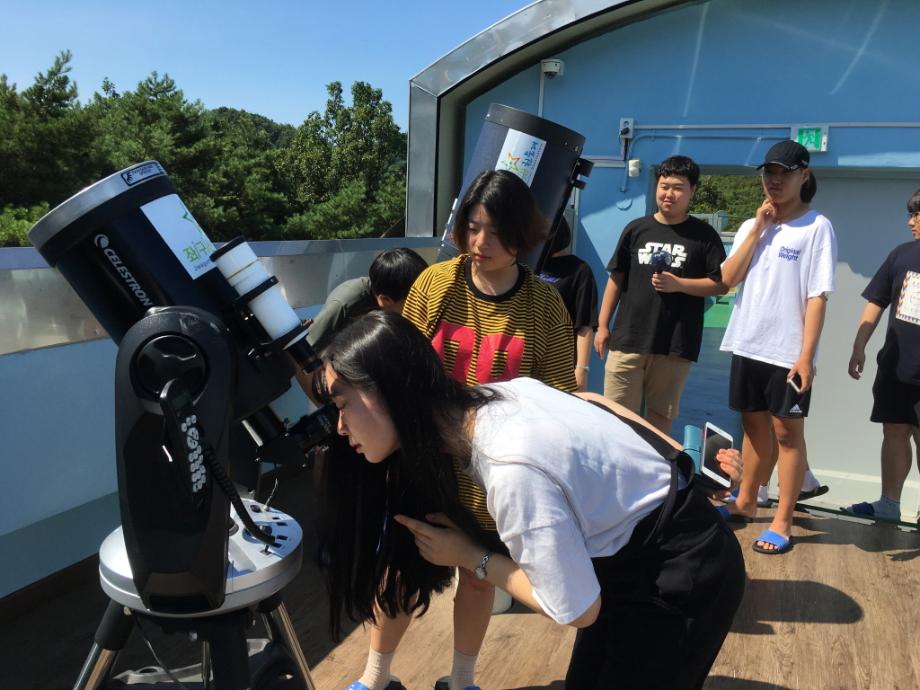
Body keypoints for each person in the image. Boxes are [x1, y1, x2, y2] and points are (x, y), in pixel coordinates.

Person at [319, 311, 746, 690]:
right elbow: (590, 400)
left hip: (684, 574)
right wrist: (680, 460)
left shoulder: (510, 468)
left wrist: (470, 556)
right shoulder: (505, 393)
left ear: (389, 393)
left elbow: (578, 610)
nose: (340, 427)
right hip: (636, 555)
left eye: (344, 406)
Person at [351, 169, 577, 690]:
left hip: (499, 474)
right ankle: (375, 676)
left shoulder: (544, 305)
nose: (481, 243)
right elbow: (399, 363)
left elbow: (558, 396)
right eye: (473, 227)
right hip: (428, 461)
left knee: (478, 579)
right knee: (401, 571)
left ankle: (462, 679)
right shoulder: (436, 283)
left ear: (523, 234)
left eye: (496, 232)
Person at [718, 140, 837, 555]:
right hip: (748, 342)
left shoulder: (817, 226)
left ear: (804, 176)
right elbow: (728, 278)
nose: (774, 180)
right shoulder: (757, 226)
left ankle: (783, 520)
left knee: (788, 434)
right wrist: (757, 229)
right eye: (769, 172)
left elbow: (817, 296)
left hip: (788, 352)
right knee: (753, 427)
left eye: (784, 173)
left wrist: (805, 355)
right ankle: (747, 500)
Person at [594, 155, 727, 434]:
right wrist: (603, 325)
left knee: (659, 422)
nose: (669, 194)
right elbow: (617, 278)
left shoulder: (704, 236)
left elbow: (720, 284)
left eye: (678, 187)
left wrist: (680, 285)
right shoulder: (636, 229)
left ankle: (654, 475)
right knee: (616, 420)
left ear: (693, 191)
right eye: (664, 185)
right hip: (628, 339)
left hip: (674, 345)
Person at [843, 189, 920, 522]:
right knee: (894, 431)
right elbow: (876, 301)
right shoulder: (900, 255)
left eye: (917, 215)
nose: (911, 222)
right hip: (895, 367)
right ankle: (889, 504)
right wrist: (859, 344)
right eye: (911, 214)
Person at [295, 247, 428, 402]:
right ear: (385, 300)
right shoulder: (345, 305)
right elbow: (304, 353)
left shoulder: (389, 297)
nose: (421, 308)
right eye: (413, 302)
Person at [537, 217, 599, 391]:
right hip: (528, 360)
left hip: (560, 365)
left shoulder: (580, 270)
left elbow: (585, 325)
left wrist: (581, 369)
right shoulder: (528, 265)